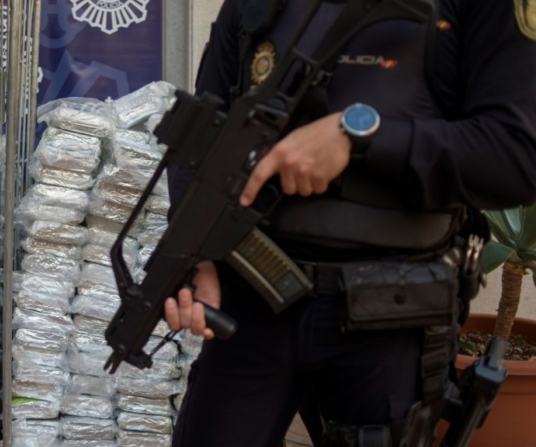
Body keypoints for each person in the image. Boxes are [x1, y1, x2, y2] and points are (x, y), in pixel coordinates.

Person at [164, 0, 536, 445]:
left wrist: (362, 136)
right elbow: (205, 135)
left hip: (390, 317)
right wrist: (194, 256)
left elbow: (518, 158)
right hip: (253, 300)